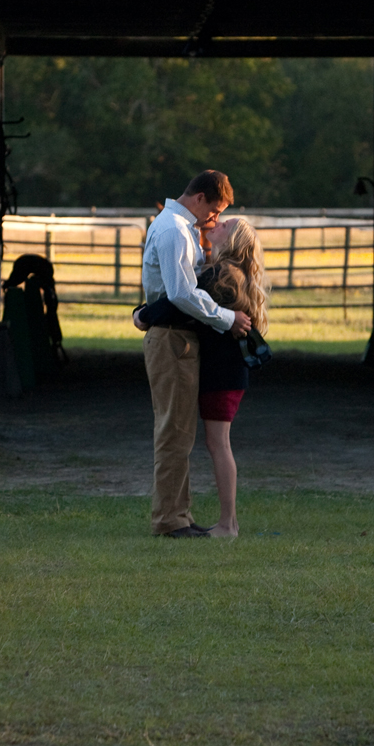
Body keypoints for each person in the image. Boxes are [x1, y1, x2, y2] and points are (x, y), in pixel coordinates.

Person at [137, 217, 269, 537]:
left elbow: (182, 303)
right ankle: (228, 523)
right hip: (227, 372)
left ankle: (227, 524)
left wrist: (143, 315)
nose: (217, 222)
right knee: (217, 443)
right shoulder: (231, 274)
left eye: (226, 224)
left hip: (221, 373)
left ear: (233, 239)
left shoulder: (219, 275)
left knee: (218, 444)